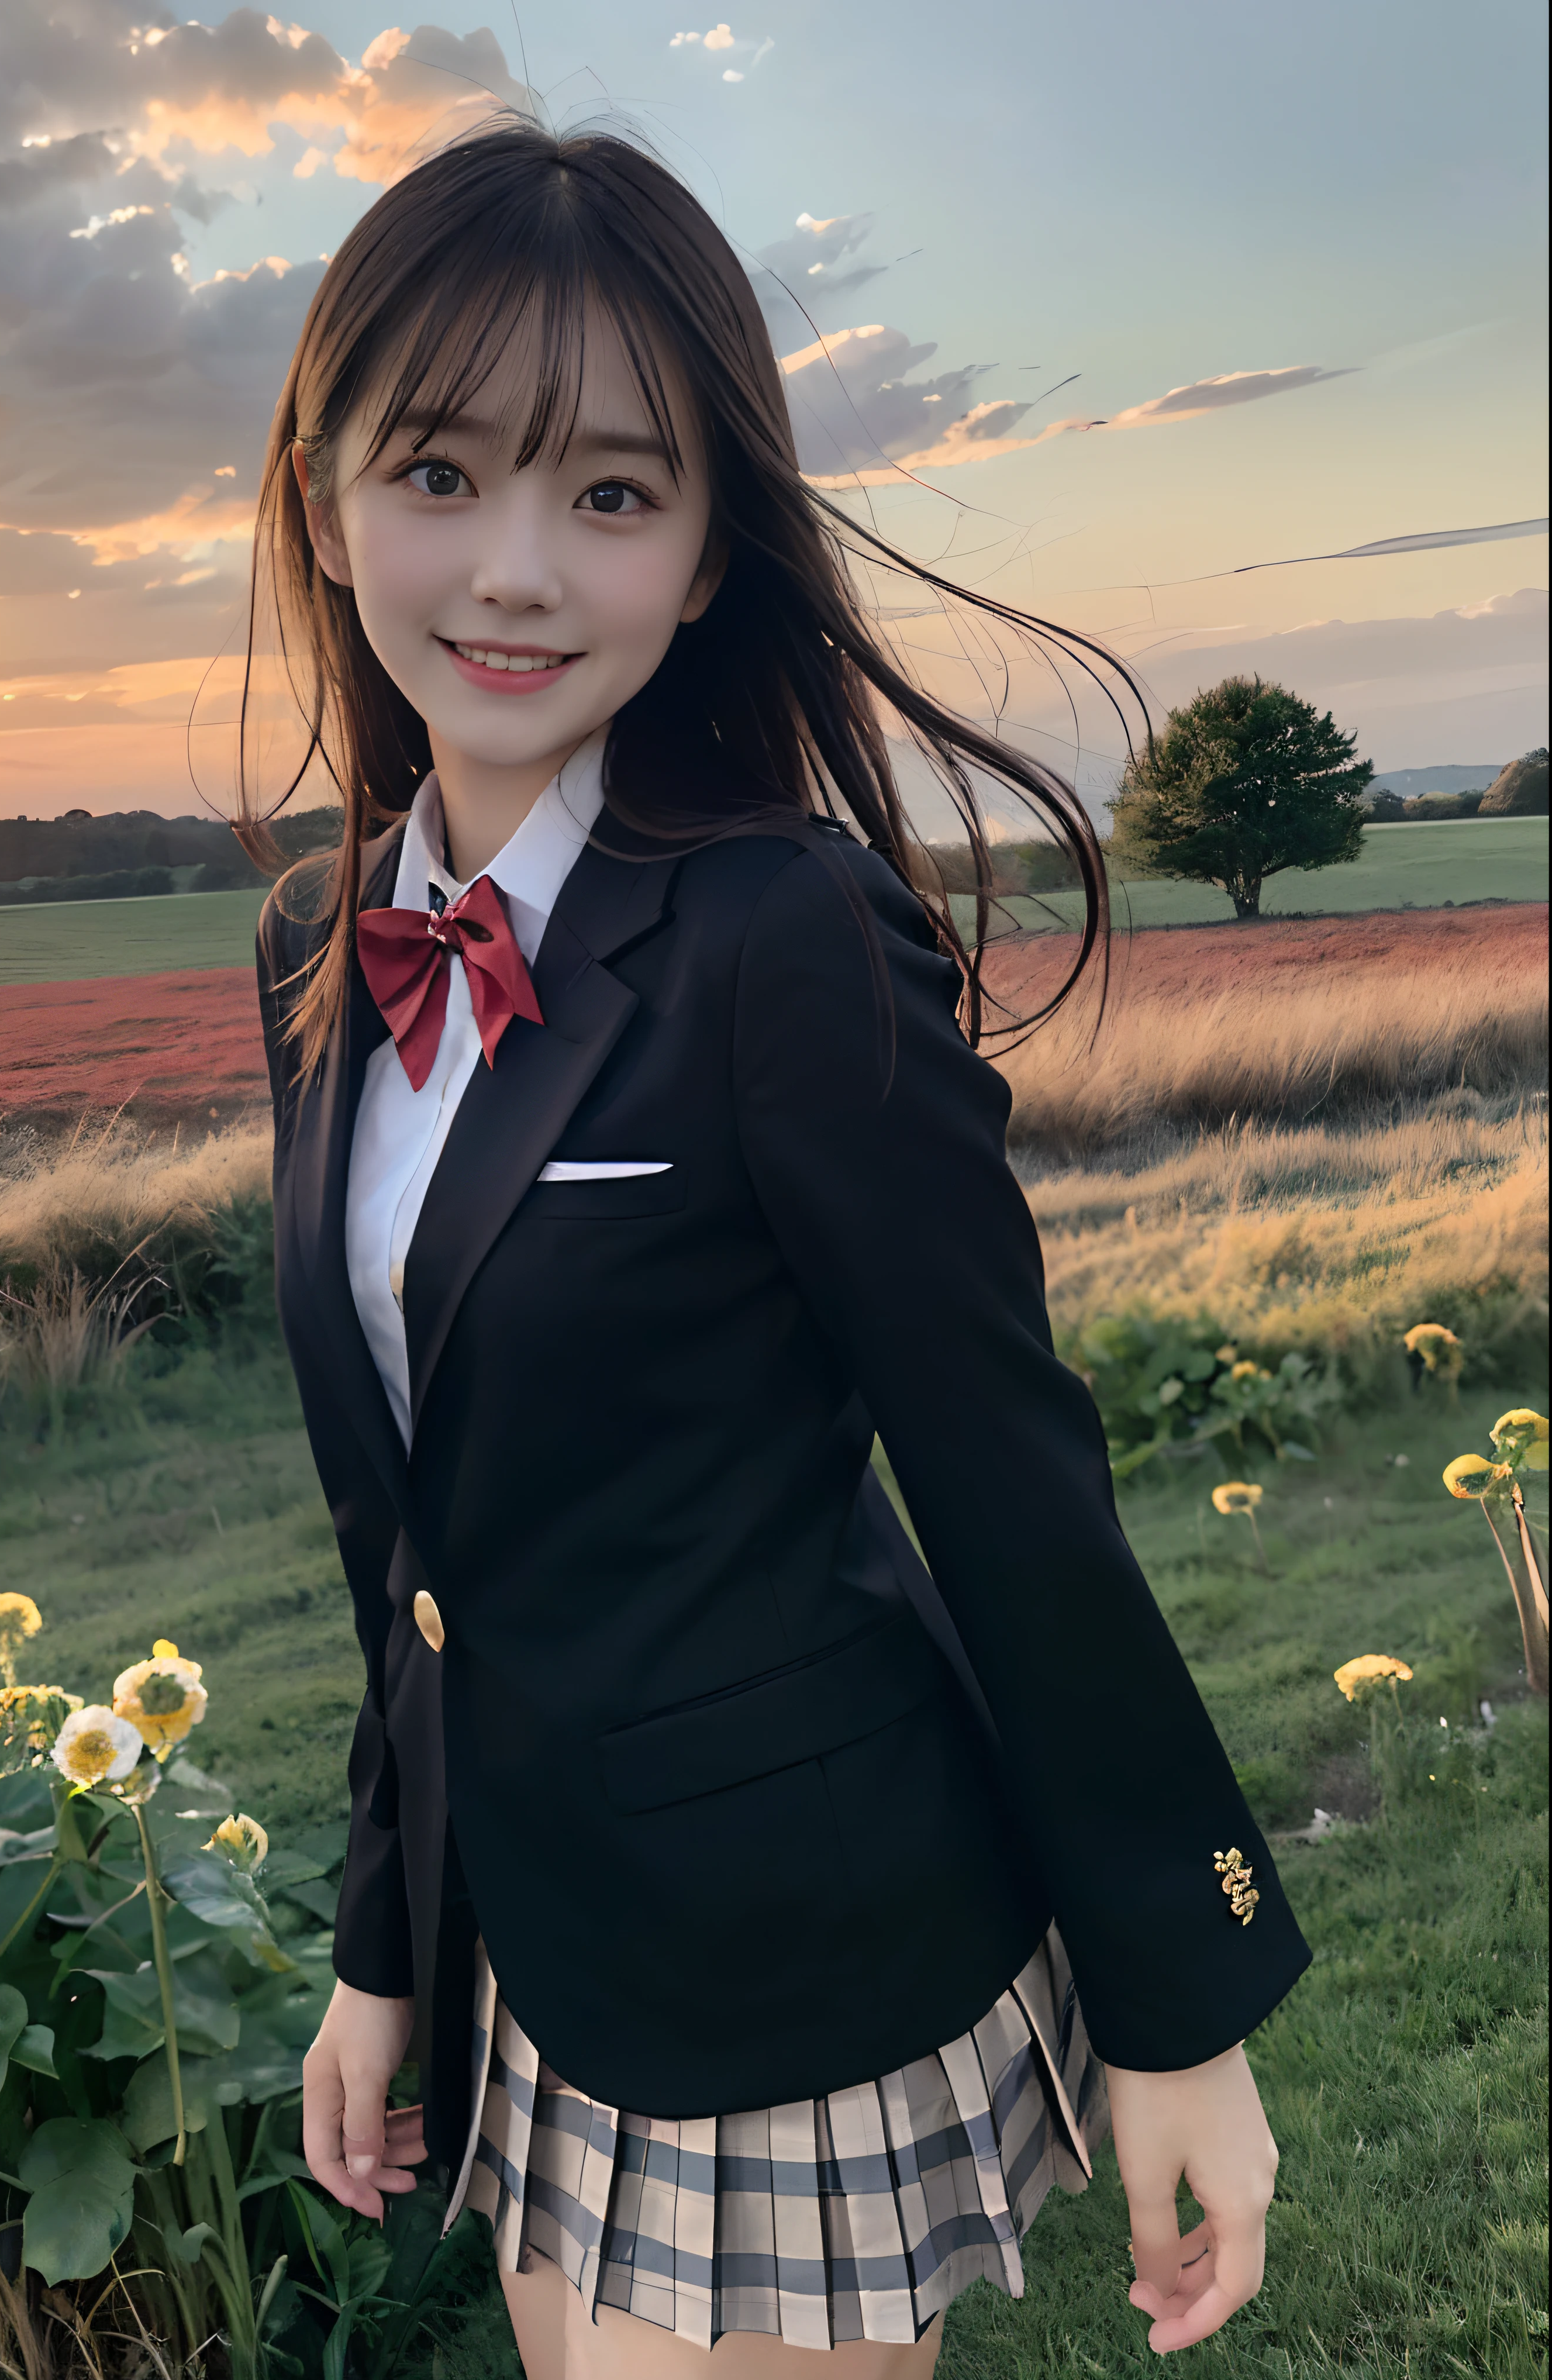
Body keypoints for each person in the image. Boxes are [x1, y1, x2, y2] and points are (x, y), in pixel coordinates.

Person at [247, 122, 1311, 2378]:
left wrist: (1182, 2002)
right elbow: (406, 1525)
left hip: (782, 1953)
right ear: (325, 491)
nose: (517, 568)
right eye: (439, 470)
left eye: (613, 494)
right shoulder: (316, 947)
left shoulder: (785, 933)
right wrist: (381, 1939)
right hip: (528, 1940)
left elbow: (1010, 1477)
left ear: (716, 541)